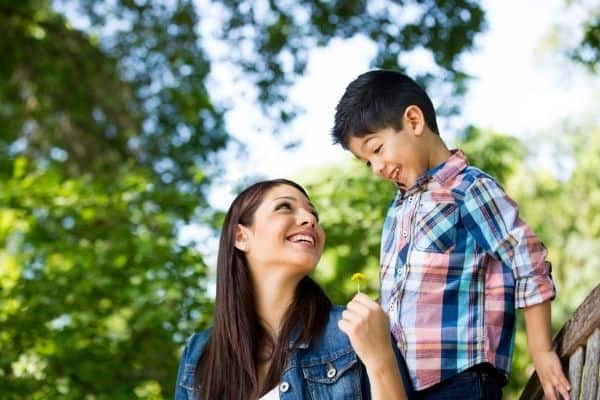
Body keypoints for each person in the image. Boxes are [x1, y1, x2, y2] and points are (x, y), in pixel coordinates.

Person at [330, 70, 571, 400]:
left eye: (377, 149)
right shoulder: (398, 209)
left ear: (414, 121)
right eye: (366, 162)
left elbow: (526, 258)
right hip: (405, 384)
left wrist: (540, 350)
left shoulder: (467, 188)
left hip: (461, 379)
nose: (377, 168)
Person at [174, 179, 411, 399]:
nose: (310, 219)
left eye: (313, 213)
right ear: (240, 236)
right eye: (285, 207)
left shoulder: (356, 330)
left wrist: (380, 361)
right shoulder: (198, 354)